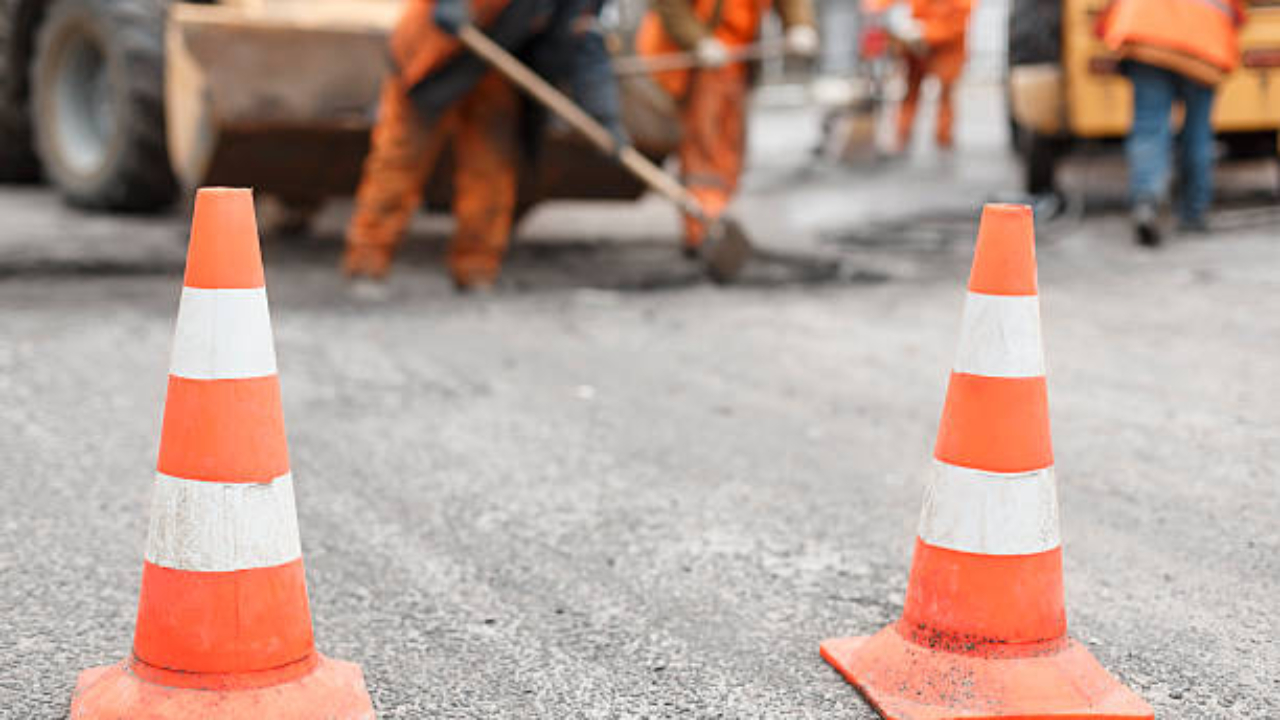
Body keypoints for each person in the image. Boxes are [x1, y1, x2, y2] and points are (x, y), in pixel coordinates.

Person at [343, 0, 624, 289]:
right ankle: (368, 262)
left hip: (493, 65)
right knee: (400, 162)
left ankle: (476, 268)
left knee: (490, 171)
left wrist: (606, 120)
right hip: (433, 54)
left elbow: (585, 48)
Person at [636, 0, 819, 253]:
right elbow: (670, 5)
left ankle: (717, 219)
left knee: (729, 149)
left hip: (734, 60)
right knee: (704, 148)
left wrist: (800, 25)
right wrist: (698, 41)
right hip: (693, 61)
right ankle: (703, 227)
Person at [1100, 0, 1246, 246]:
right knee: (1198, 131)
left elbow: (1110, 12)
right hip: (1203, 44)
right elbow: (1238, 14)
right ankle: (1193, 212)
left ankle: (1147, 201)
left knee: (1149, 127)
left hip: (1147, 36)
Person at [875, 0, 972, 153]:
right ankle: (902, 136)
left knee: (945, 93)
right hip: (916, 50)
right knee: (911, 92)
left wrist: (925, 31)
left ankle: (943, 139)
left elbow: (957, 22)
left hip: (947, 50)